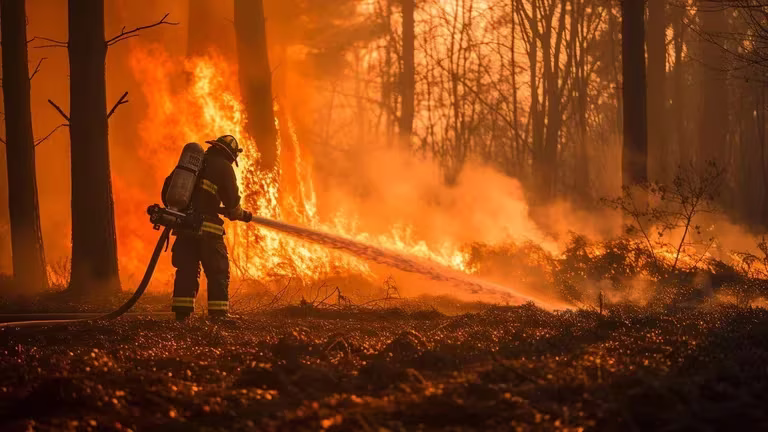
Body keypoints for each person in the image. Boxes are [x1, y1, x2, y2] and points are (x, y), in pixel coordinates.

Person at [162, 135, 253, 321]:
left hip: (184, 227)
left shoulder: (192, 164)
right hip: (209, 231)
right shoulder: (224, 167)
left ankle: (182, 316)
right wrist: (238, 213)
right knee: (218, 271)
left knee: (186, 271)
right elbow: (232, 203)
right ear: (229, 155)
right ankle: (219, 315)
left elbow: (166, 191)